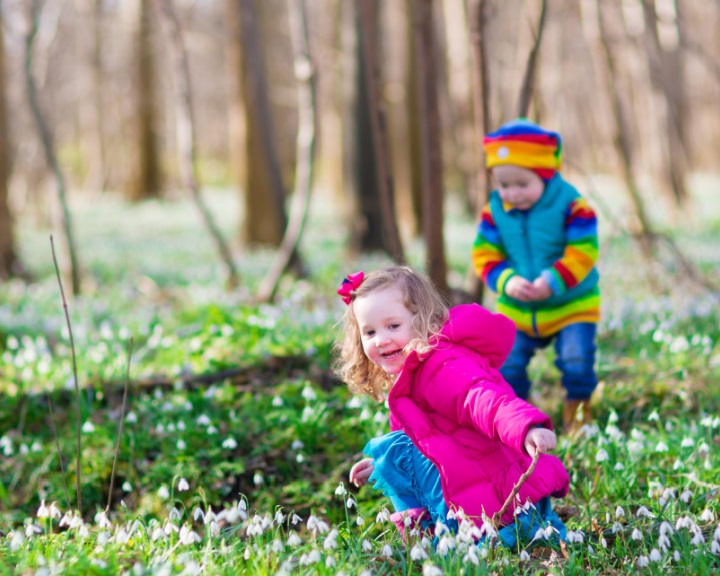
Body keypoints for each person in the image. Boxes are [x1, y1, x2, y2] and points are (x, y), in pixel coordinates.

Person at [334, 266, 569, 546]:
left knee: (393, 448)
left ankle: (447, 536)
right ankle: (437, 535)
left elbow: (481, 398)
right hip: (482, 492)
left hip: (501, 503)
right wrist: (382, 467)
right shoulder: (410, 378)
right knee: (393, 450)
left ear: (423, 321)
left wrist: (524, 427)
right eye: (369, 332)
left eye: (393, 326)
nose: (381, 339)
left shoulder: (441, 366)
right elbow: (423, 439)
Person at [472, 118, 600, 433]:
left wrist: (552, 281)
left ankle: (579, 412)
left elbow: (583, 249)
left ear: (545, 174)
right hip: (518, 307)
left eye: (521, 184)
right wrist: (506, 280)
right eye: (503, 185)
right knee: (509, 364)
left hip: (571, 304)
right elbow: (484, 253)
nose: (512, 193)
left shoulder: (571, 204)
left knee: (576, 359)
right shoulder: (494, 210)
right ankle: (518, 419)